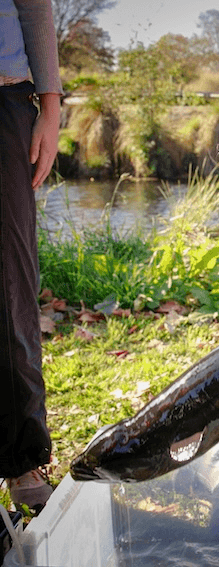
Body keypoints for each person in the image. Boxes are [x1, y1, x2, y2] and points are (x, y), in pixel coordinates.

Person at [1, 0, 62, 512]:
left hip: (4, 98)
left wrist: (51, 107)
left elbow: (34, 6)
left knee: (10, 279)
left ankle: (23, 454)